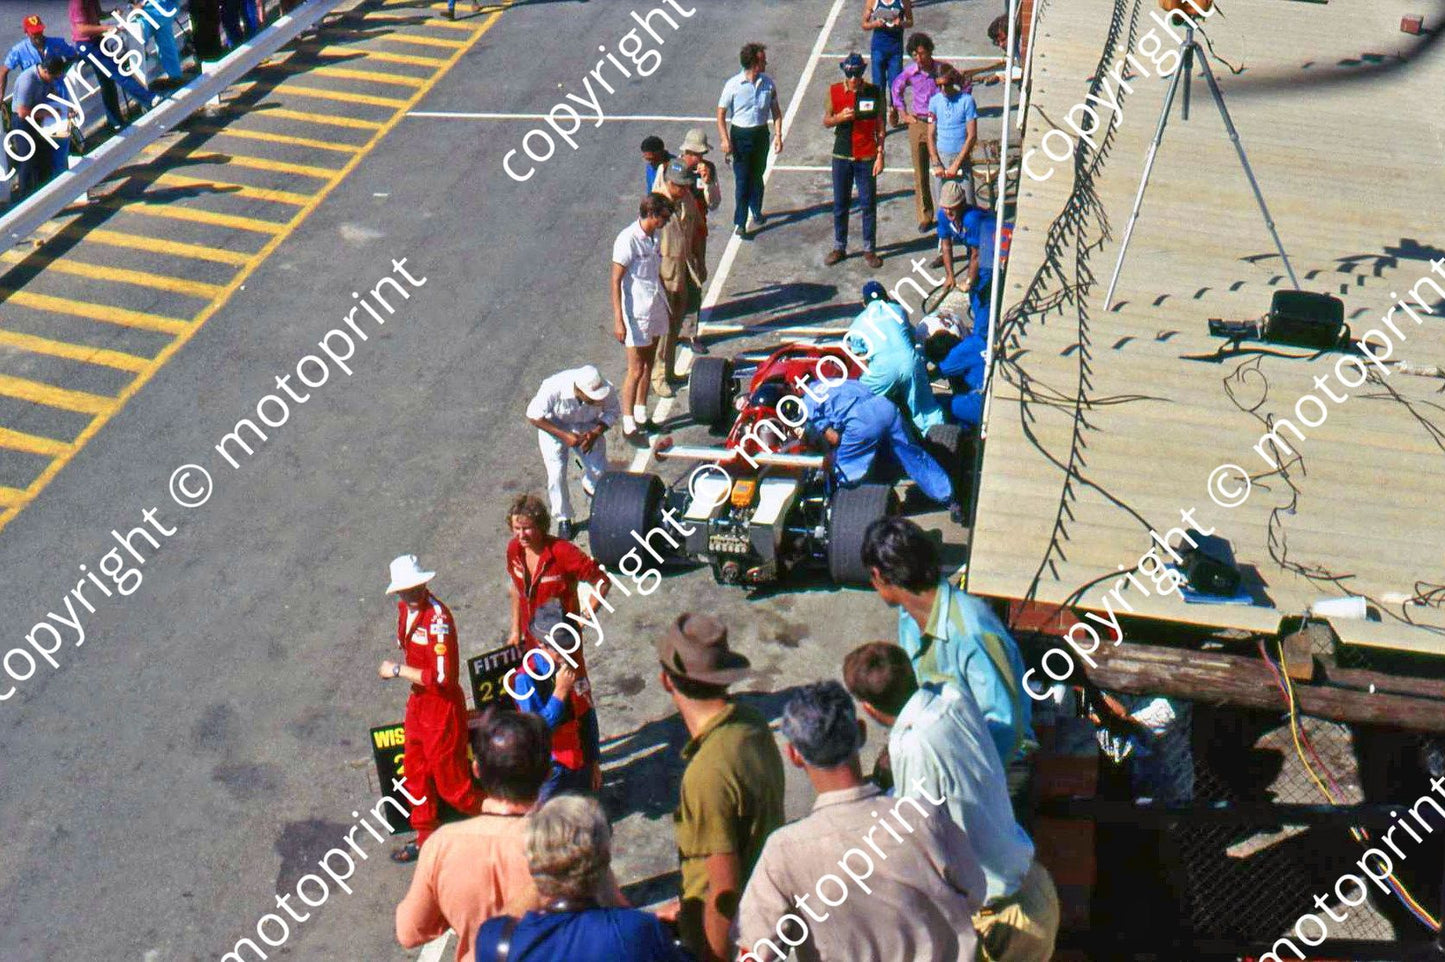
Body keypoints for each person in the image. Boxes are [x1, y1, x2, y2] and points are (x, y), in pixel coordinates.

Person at [736, 681, 985, 962]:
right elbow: (975, 892)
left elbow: (755, 954)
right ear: (861, 732)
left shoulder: (781, 852)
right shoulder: (923, 818)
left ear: (793, 755)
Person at [844, 642, 1061, 962]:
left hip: (998, 923)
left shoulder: (912, 742)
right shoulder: (955, 698)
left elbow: (916, 839)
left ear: (868, 708)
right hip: (1034, 892)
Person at [860, 517, 1037, 796]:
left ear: (879, 575)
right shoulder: (909, 617)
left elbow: (1006, 730)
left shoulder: (971, 631)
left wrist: (955, 785)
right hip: (949, 746)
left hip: (998, 765)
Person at [654, 613, 784, 962]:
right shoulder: (751, 723)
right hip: (764, 915)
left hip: (727, 940)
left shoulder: (706, 772)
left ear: (667, 681)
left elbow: (724, 891)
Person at [395, 711, 553, 962]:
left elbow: (410, 931)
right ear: (547, 772)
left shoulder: (441, 844)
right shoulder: (564, 844)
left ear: (477, 769)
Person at [475, 796, 692, 961]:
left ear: (533, 862)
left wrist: (547, 869)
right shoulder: (635, 931)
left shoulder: (496, 940)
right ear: (604, 857)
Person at [378, 554, 483, 862]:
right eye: (406, 588)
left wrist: (397, 671)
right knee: (415, 772)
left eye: (417, 586)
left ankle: (508, 818)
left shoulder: (439, 619)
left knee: (455, 788)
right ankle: (426, 837)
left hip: (442, 706)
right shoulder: (403, 610)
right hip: (419, 703)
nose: (413, 593)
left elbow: (442, 678)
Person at [504, 495, 607, 796]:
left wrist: (586, 616)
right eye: (516, 528)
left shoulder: (562, 552)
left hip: (564, 645)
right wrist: (514, 630)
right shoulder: (514, 551)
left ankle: (592, 764)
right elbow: (516, 590)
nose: (521, 535)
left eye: (527, 529)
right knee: (535, 703)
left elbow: (601, 581)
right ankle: (544, 762)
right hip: (532, 641)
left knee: (579, 701)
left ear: (541, 526)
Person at [801, 376, 959, 520]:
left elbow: (834, 438)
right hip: (886, 407)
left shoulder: (808, 402)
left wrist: (831, 454)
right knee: (914, 456)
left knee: (844, 469)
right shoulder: (834, 380)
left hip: (862, 422)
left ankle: (843, 512)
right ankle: (948, 498)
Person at [525, 365, 619, 541]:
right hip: (554, 426)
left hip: (586, 425)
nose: (596, 401)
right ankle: (564, 517)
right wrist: (564, 435)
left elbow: (613, 412)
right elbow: (533, 415)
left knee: (599, 470)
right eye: (590, 398)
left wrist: (595, 433)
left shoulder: (607, 389)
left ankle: (590, 485)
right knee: (556, 474)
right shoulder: (552, 387)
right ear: (578, 390)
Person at [611, 193, 674, 444]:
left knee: (649, 364)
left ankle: (641, 412)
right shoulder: (628, 240)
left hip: (654, 304)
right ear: (652, 214)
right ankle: (628, 424)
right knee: (635, 369)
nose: (666, 223)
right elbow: (615, 280)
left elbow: (654, 272)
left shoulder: (654, 237)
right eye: (664, 218)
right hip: (636, 311)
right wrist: (619, 320)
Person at [845, 282, 946, 433]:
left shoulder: (856, 325)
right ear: (886, 298)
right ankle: (940, 437)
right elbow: (911, 340)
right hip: (909, 364)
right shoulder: (899, 310)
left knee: (861, 401)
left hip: (883, 373)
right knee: (925, 408)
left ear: (864, 303)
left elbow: (862, 361)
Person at [823, 52, 884, 269]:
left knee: (868, 205)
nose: (854, 78)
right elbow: (827, 120)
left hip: (866, 156)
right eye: (850, 74)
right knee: (841, 204)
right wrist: (839, 118)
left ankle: (869, 249)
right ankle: (840, 246)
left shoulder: (873, 92)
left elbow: (880, 125)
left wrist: (880, 154)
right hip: (842, 155)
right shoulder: (835, 91)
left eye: (857, 74)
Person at [716, 42, 782, 239]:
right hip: (741, 136)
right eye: (762, 60)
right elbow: (720, 114)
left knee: (758, 176)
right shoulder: (733, 85)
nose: (766, 63)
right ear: (754, 62)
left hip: (761, 135)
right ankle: (740, 222)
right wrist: (725, 140)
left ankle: (756, 209)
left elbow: (776, 112)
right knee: (743, 180)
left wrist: (778, 136)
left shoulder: (768, 84)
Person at [652, 162, 706, 397]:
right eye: (681, 186)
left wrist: (699, 261)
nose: (685, 190)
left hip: (684, 268)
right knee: (663, 328)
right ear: (670, 183)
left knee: (675, 325)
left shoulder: (686, 201)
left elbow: (697, 230)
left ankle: (671, 370)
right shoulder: (655, 205)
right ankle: (659, 376)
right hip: (663, 273)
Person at [69, 0, 162, 130]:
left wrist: (112, 13)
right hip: (86, 45)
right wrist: (107, 28)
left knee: (107, 83)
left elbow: (98, 15)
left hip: (97, 40)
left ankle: (115, 121)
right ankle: (149, 98)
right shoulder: (78, 2)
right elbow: (81, 29)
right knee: (118, 73)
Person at [891, 32, 947, 232]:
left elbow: (963, 82)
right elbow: (896, 88)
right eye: (915, 55)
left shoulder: (942, 69)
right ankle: (925, 215)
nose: (919, 59)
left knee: (944, 167)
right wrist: (903, 113)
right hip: (919, 122)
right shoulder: (911, 72)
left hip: (940, 123)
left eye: (922, 54)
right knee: (920, 171)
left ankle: (948, 211)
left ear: (930, 51)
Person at [937, 184, 1008, 335]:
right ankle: (984, 326)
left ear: (961, 205)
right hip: (978, 245)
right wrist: (950, 275)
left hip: (992, 244)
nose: (948, 211)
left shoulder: (972, 219)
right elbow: (946, 245)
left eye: (952, 207)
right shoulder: (943, 215)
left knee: (982, 292)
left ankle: (983, 334)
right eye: (945, 207)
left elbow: (978, 254)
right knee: (975, 293)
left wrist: (969, 281)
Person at [11, 57, 73, 198]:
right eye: (51, 77)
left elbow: (53, 96)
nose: (52, 80)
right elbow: (22, 112)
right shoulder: (28, 80)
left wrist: (64, 109)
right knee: (27, 157)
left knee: (45, 155)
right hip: (24, 122)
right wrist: (49, 112)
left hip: (40, 117)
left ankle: (44, 192)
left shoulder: (48, 78)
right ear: (45, 71)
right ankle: (24, 195)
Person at [920, 309, 987, 431]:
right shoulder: (974, 339)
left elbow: (931, 375)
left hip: (984, 406)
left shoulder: (952, 359)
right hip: (990, 386)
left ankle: (964, 434)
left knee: (943, 403)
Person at [927, 64, 977, 209]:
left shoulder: (967, 101)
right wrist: (936, 163)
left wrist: (956, 164)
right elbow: (930, 134)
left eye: (946, 85)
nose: (943, 90)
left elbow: (972, 135)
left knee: (968, 205)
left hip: (961, 159)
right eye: (939, 86)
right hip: (941, 158)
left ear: (953, 81)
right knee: (943, 207)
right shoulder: (934, 101)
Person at [0, 16, 76, 102]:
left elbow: (73, 56)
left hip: (59, 93)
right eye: (34, 33)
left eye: (39, 31)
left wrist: (60, 71)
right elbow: (3, 71)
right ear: (26, 33)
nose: (38, 35)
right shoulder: (19, 50)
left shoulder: (57, 43)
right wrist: (1, 95)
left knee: (64, 113)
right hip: (36, 95)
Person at [861, 0, 911, 128]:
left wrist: (901, 23)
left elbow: (910, 21)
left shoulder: (903, 1)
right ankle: (880, 121)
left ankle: (893, 108)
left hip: (895, 50)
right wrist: (875, 24)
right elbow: (864, 24)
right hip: (878, 49)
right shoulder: (873, 1)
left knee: (895, 85)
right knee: (878, 87)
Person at [129, 0, 181, 85]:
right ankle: (175, 75)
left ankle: (136, 52)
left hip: (155, 8)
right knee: (166, 41)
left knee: (138, 29)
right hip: (163, 8)